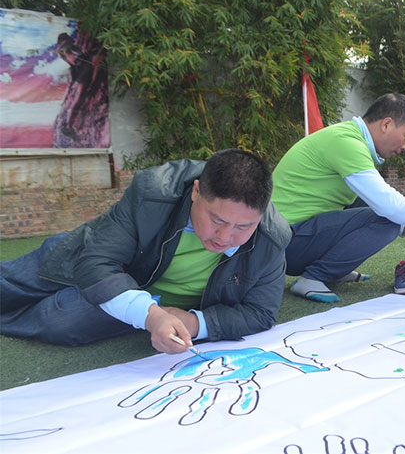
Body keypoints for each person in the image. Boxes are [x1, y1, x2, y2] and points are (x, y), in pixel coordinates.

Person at [1, 149, 292, 354]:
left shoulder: (272, 236)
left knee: (60, 321)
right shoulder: (154, 192)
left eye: (243, 226)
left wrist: (193, 322)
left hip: (141, 298)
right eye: (216, 220)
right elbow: (98, 262)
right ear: (196, 191)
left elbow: (260, 312)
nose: (225, 237)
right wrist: (151, 317)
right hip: (90, 256)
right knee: (10, 284)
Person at [272, 93, 405, 303]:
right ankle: (315, 277)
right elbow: (385, 202)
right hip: (285, 244)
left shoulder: (348, 138)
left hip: (286, 241)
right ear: (387, 124)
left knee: (368, 204)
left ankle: (334, 270)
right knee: (388, 218)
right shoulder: (346, 142)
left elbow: (370, 201)